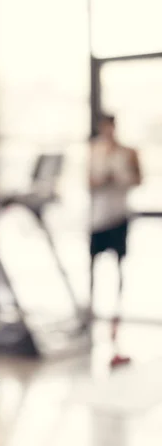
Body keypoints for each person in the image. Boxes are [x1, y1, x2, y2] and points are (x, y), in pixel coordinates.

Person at [89, 114, 142, 367]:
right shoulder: (94, 151)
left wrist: (118, 179)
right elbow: (88, 181)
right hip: (99, 217)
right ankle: (90, 309)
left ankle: (116, 315)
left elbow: (139, 179)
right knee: (94, 265)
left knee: (120, 266)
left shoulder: (128, 152)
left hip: (119, 215)